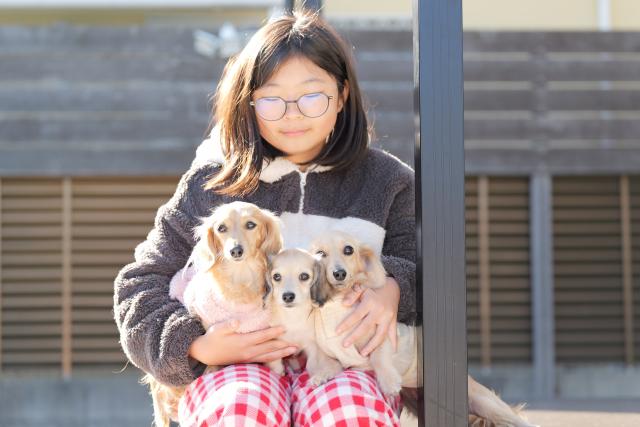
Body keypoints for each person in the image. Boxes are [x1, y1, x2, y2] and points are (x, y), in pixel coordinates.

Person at [114, 10, 416, 427]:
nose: (292, 113)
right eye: (272, 99)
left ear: (342, 95)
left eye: (312, 96)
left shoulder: (386, 181)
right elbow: (139, 284)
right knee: (242, 409)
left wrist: (394, 289)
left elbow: (423, 264)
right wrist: (196, 346)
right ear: (249, 102)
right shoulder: (214, 183)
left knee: (350, 412)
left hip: (344, 363)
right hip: (237, 367)